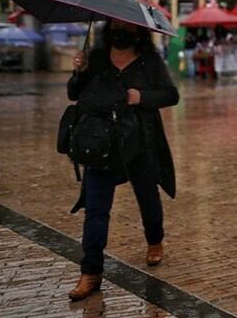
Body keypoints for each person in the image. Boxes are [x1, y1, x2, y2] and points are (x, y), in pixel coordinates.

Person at [67, 19, 179, 301]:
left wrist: (140, 96)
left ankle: (155, 240)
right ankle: (90, 271)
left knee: (148, 197)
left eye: (127, 28)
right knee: (95, 209)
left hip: (140, 142)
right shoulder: (96, 59)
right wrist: (78, 73)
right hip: (101, 143)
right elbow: (75, 94)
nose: (121, 32)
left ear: (138, 32)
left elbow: (171, 95)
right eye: (116, 26)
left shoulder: (149, 61)